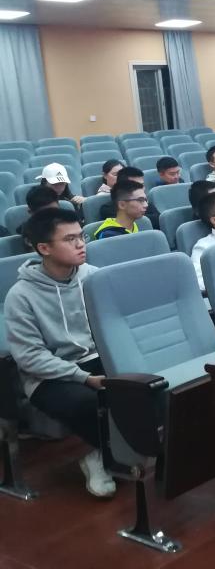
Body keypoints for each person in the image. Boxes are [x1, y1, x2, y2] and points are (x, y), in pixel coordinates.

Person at [4, 209, 113, 497]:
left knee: (143, 383)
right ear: (44, 248)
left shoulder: (94, 277)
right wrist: (83, 377)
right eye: (69, 239)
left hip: (97, 357)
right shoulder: (21, 296)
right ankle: (103, 455)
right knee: (88, 402)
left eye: (81, 236)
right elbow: (30, 357)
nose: (81, 244)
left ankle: (111, 452)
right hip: (47, 376)